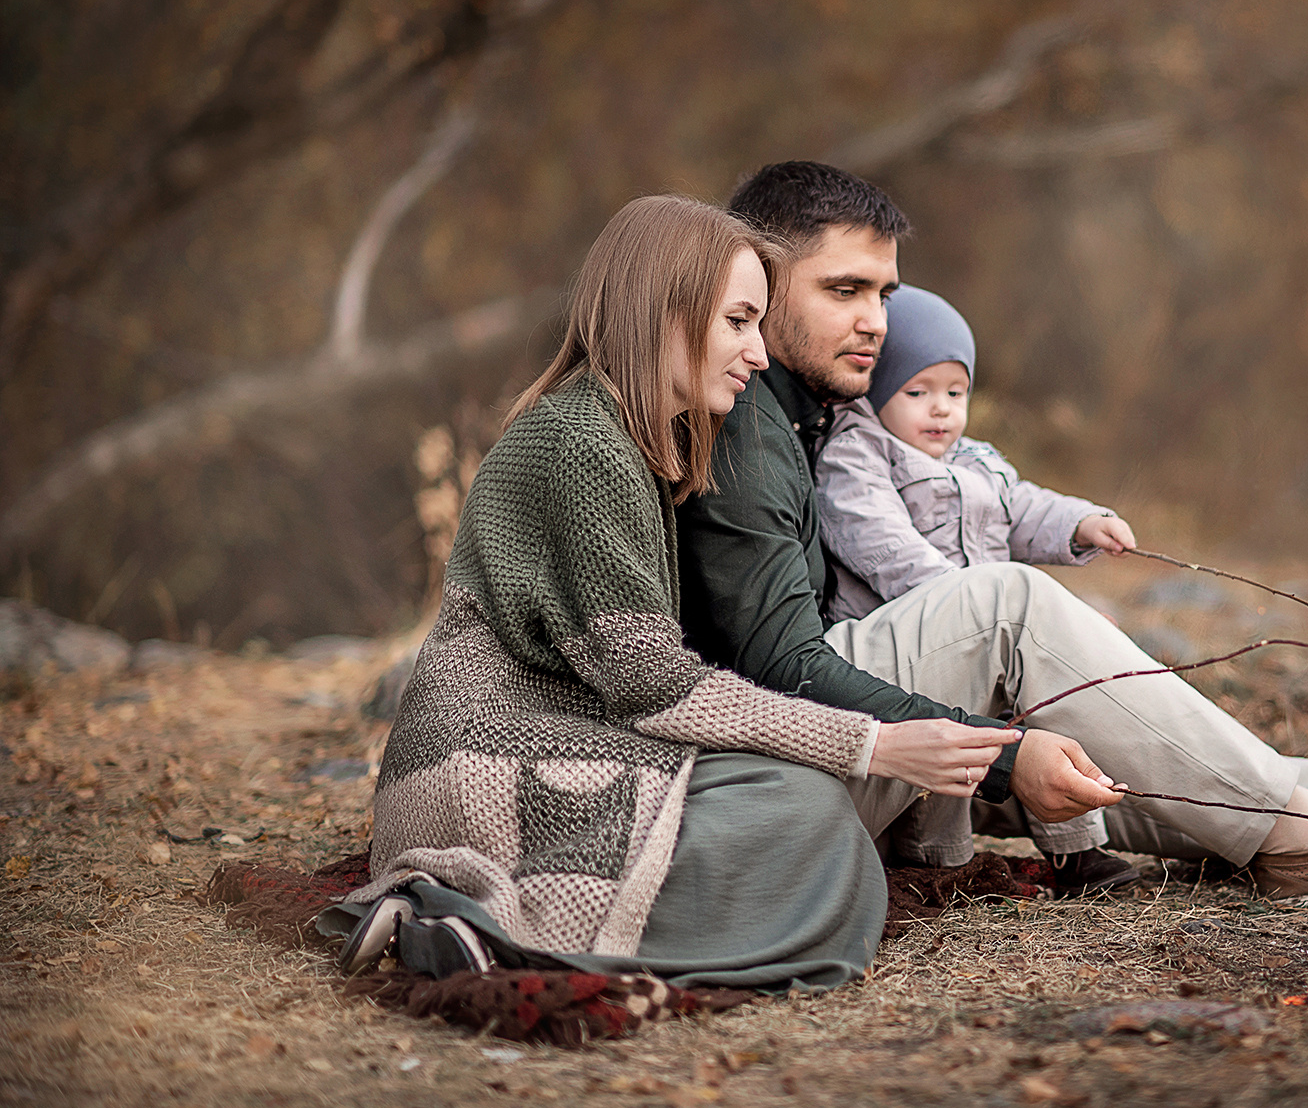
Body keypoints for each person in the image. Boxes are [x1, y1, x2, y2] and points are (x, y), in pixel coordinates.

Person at [675, 161, 1308, 904]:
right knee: (997, 603)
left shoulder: (811, 415)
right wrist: (1002, 751)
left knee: (1065, 699)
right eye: (844, 290)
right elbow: (779, 667)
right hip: (772, 788)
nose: (877, 320)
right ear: (757, 278)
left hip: (823, 753)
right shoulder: (743, 422)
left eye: (884, 294)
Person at [338, 195, 1021, 988]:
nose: (759, 354)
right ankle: (482, 934)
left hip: (561, 738)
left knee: (801, 806)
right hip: (485, 762)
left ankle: (492, 929)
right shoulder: (578, 441)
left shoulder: (627, 434)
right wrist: (876, 743)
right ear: (662, 312)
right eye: (738, 322)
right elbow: (653, 685)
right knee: (806, 813)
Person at [813, 284, 1140, 889]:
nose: (941, 410)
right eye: (917, 392)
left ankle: (1077, 847)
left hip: (988, 632)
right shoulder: (855, 458)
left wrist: (1081, 522)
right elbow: (883, 546)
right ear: (879, 390)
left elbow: (1023, 507)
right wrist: (974, 609)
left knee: (1045, 706)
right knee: (954, 746)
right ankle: (935, 862)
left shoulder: (976, 461)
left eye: (955, 393)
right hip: (910, 643)